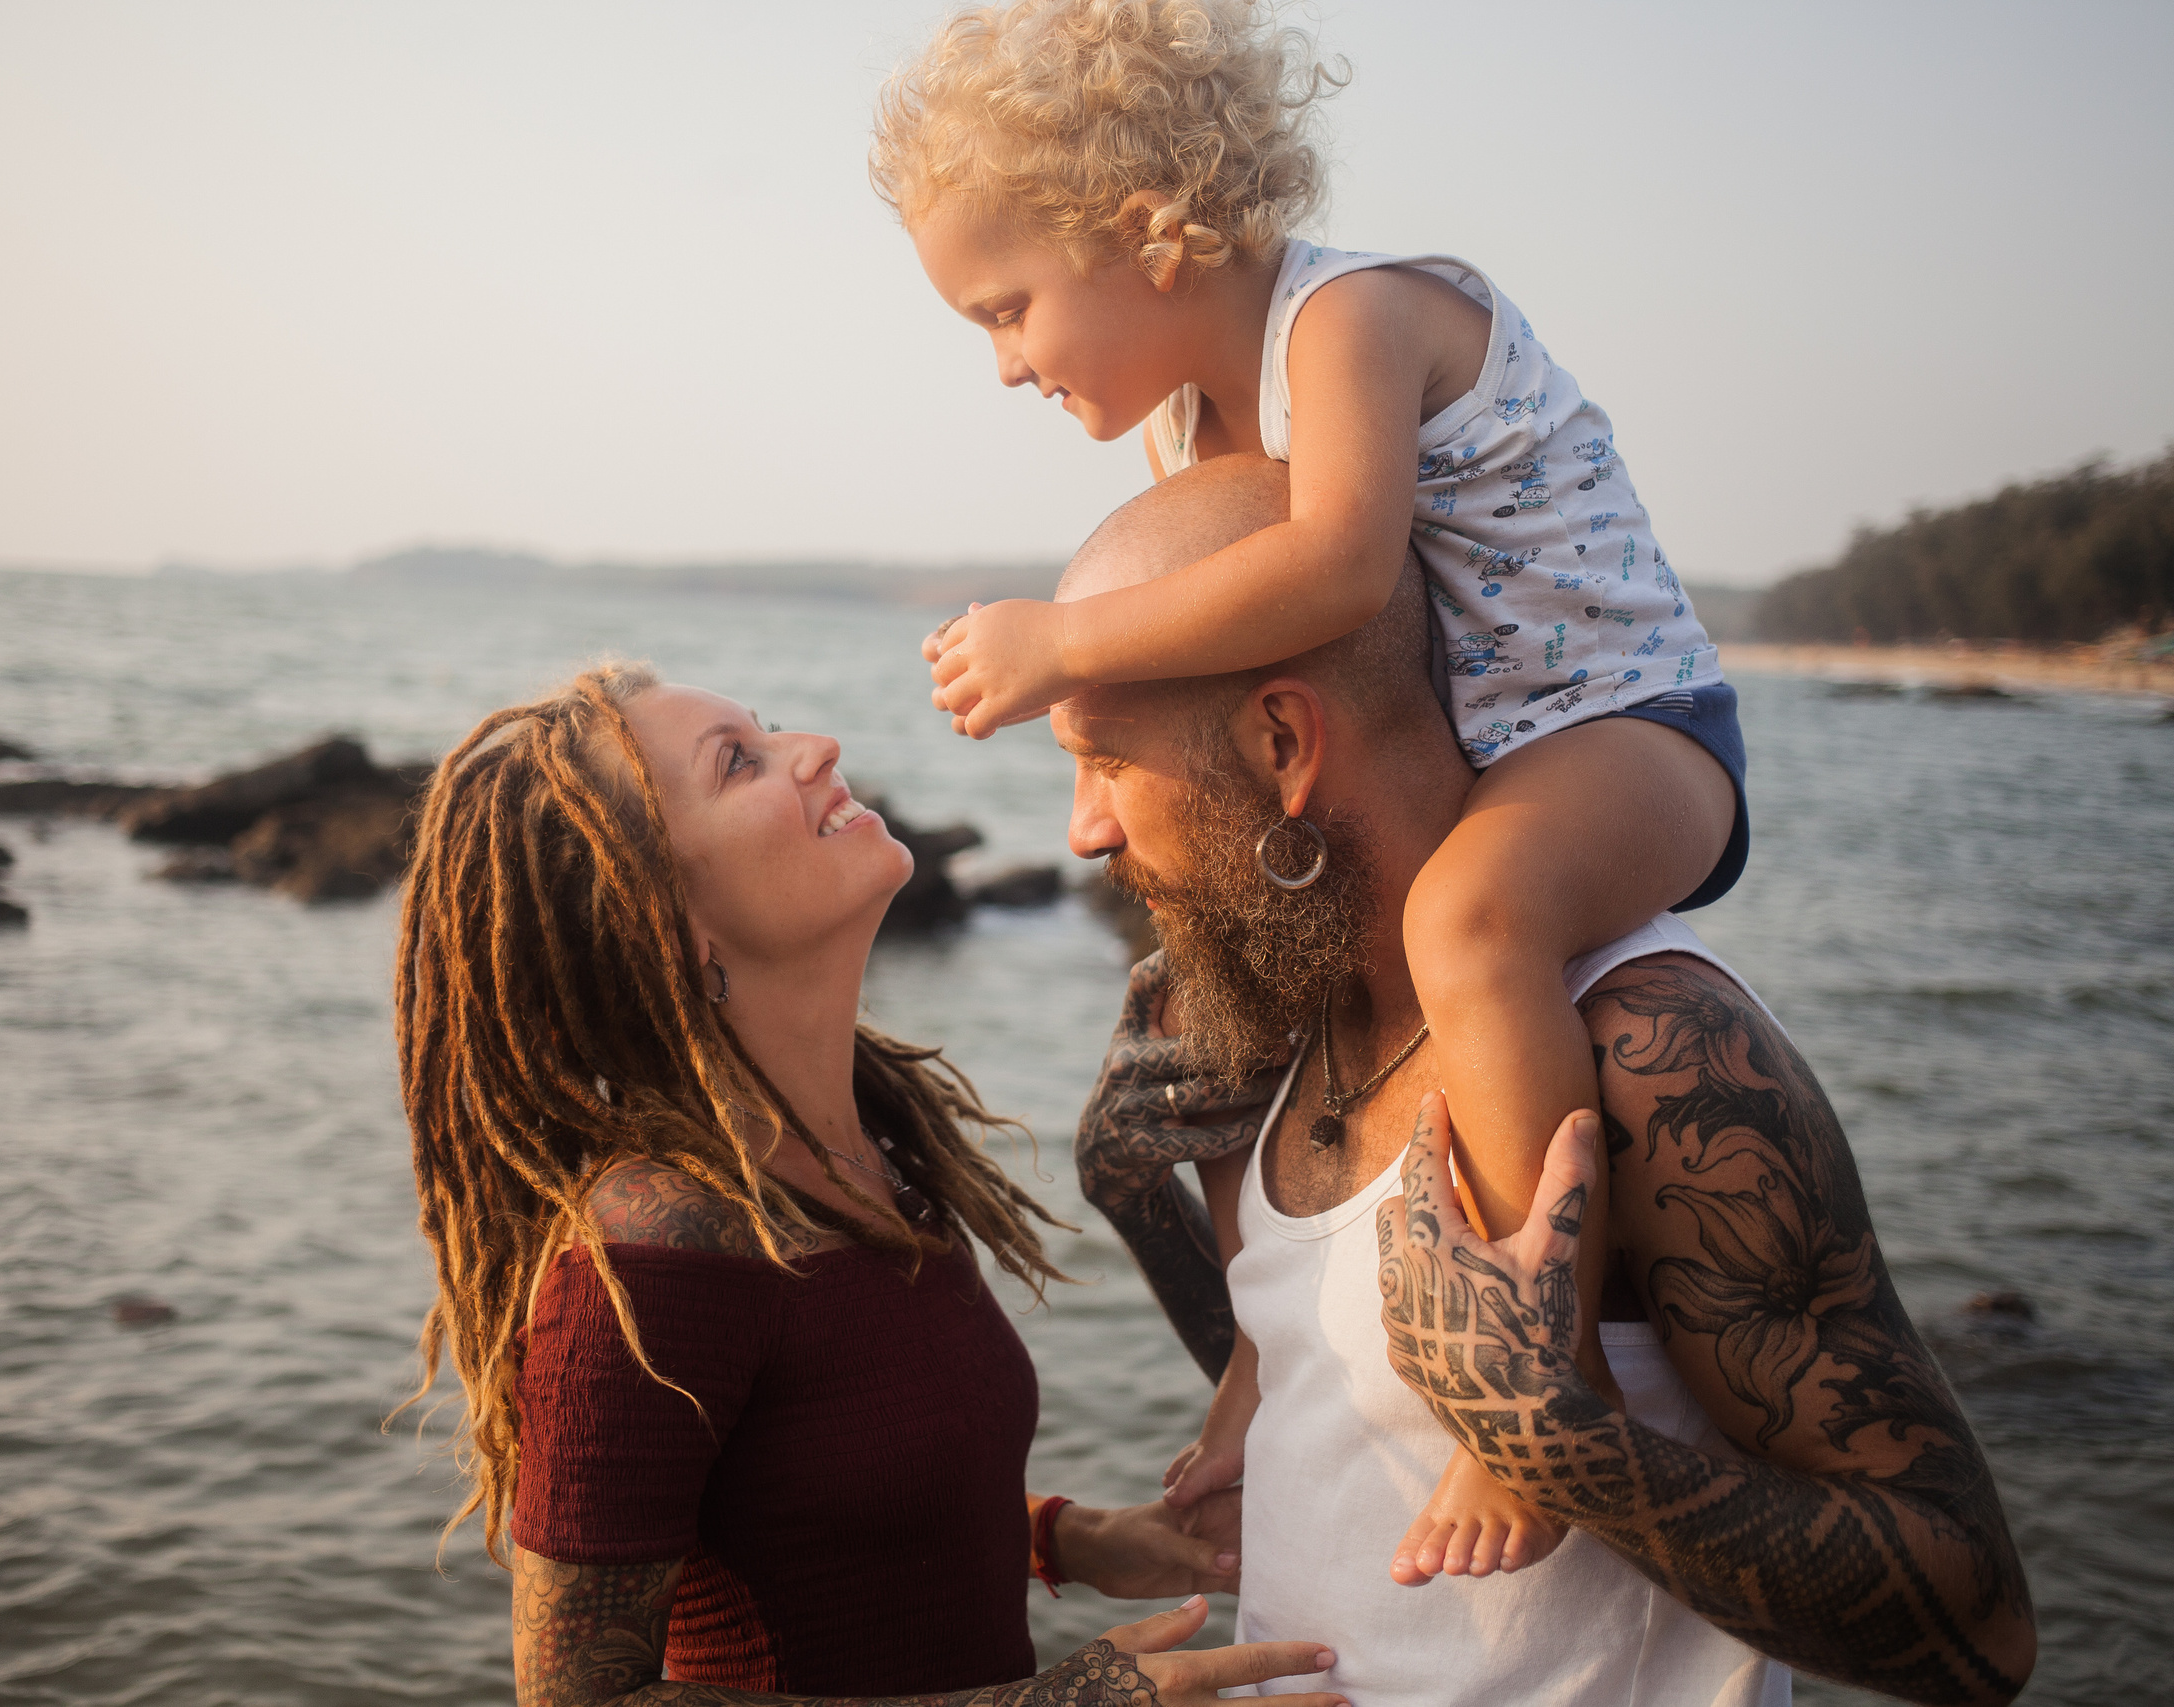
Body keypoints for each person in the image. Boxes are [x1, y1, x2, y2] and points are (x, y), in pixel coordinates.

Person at [873, 0, 1745, 1579]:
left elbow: (1337, 568)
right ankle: (1267, 1366)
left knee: (1474, 923)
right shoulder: (1196, 440)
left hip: (1630, 722)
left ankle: (1537, 1383)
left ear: (1147, 232)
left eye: (1008, 309)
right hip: (1499, 741)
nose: (1001, 365)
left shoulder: (1347, 323)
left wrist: (1062, 640)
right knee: (1194, 1039)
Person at [1061, 455, 2035, 1704]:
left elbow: (1982, 1628)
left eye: (1105, 761)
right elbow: (1340, 1407)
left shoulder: (1647, 1050)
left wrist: (1560, 1444)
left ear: (1284, 741)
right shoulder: (1277, 1042)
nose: (1084, 829)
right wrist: (1130, 1195)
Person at [390, 663, 1344, 1707]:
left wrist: (1077, 1539)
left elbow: (822, 1500)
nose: (818, 751)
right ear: (666, 923)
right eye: (738, 763)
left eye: (769, 725)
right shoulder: (651, 1253)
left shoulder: (877, 1154)